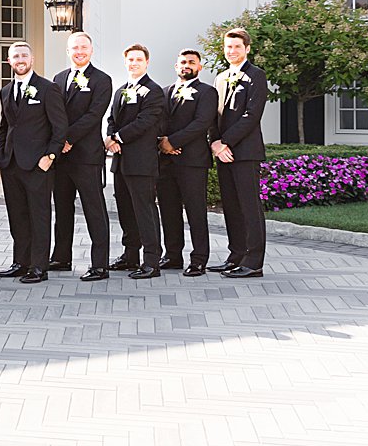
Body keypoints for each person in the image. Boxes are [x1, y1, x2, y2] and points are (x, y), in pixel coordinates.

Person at [0, 41, 66, 284]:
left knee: (39, 215)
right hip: (11, 164)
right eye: (16, 56)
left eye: (24, 55)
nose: (20, 60)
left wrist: (50, 156)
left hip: (38, 164)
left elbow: (60, 126)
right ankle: (20, 261)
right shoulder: (5, 91)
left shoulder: (48, 88)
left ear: (32, 59)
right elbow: (4, 126)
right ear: (9, 61)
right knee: (17, 215)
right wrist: (1, 155)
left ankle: (38, 266)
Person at [49, 31, 113, 281]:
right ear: (68, 51)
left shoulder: (102, 80)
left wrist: (67, 139)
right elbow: (54, 113)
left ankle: (100, 265)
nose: (79, 51)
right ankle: (61, 257)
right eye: (75, 48)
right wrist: (58, 143)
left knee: (93, 209)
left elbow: (93, 115)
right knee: (62, 208)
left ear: (91, 50)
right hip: (62, 158)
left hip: (86, 155)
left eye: (83, 47)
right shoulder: (59, 78)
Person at [209, 28, 268, 279]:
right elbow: (214, 115)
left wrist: (225, 142)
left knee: (249, 206)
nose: (231, 51)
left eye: (236, 46)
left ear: (247, 49)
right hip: (223, 152)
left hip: (245, 152)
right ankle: (236, 256)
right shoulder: (221, 77)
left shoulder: (257, 76)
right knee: (231, 206)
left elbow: (252, 116)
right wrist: (215, 143)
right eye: (228, 47)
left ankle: (254, 262)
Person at [106, 44, 167, 279]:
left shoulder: (153, 91)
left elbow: (146, 121)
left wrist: (117, 137)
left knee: (145, 209)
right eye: (130, 59)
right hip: (121, 160)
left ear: (147, 62)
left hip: (141, 160)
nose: (134, 63)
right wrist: (112, 137)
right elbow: (112, 117)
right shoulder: (121, 90)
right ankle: (130, 254)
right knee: (125, 209)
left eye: (138, 59)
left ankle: (151, 260)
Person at [157, 49, 217, 277]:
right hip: (166, 161)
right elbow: (157, 121)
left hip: (193, 161)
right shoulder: (164, 92)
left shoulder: (207, 92)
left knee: (195, 211)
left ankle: (199, 258)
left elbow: (202, 123)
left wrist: (173, 141)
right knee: (169, 210)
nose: (186, 65)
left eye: (192, 62)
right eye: (182, 62)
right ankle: (173, 255)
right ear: (176, 66)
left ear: (199, 67)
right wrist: (162, 142)